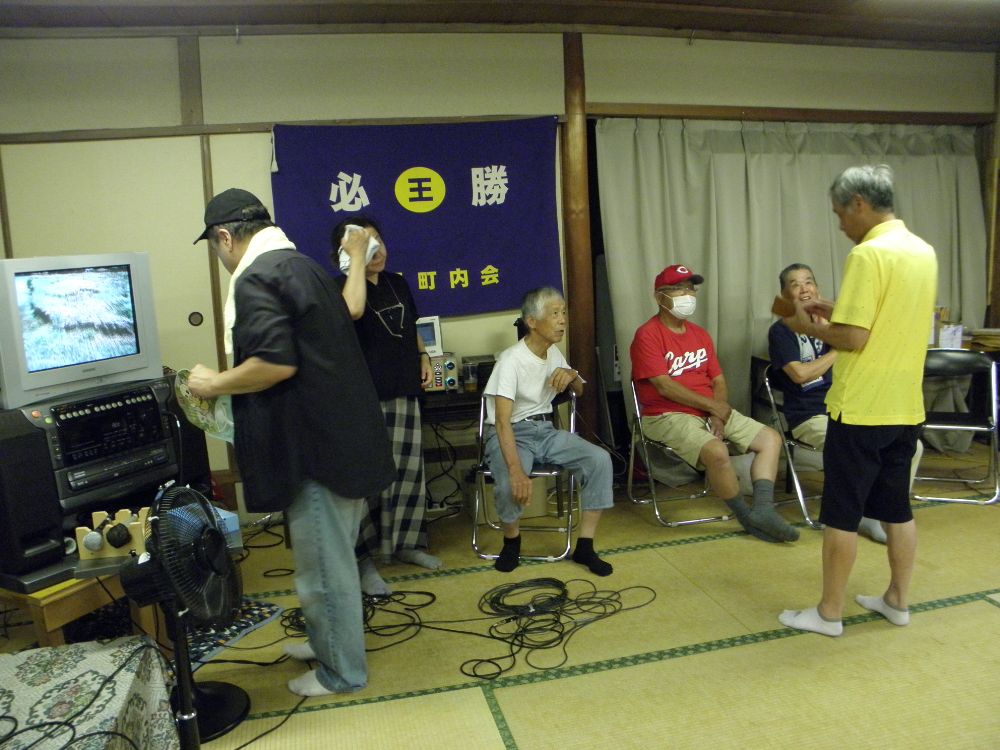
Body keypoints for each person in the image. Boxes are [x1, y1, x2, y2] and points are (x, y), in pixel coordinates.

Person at [187, 188, 395, 696]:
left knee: (324, 569)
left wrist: (213, 384)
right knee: (330, 559)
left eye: (215, 247)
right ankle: (327, 641)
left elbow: (274, 364)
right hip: (341, 439)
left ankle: (340, 672)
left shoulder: (257, 276)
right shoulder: (300, 266)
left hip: (316, 452)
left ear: (224, 237)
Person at [778, 164, 937, 637]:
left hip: (862, 406)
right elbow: (889, 317)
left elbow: (854, 337)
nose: (841, 224)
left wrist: (802, 324)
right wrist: (836, 311)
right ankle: (898, 601)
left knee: (842, 514)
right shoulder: (922, 250)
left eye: (840, 214)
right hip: (905, 404)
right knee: (897, 508)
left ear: (859, 204)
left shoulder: (868, 254)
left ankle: (829, 613)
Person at [630, 264, 799, 543]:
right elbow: (664, 385)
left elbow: (718, 380)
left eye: (691, 289)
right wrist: (712, 408)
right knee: (717, 452)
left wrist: (718, 414)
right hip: (665, 414)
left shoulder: (700, 334)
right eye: (679, 289)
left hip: (709, 410)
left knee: (770, 439)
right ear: (660, 297)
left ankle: (763, 511)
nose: (687, 295)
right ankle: (747, 518)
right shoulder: (647, 334)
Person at [767, 263, 925, 544]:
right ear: (785, 294)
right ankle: (862, 514)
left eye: (809, 282)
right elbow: (800, 374)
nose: (804, 289)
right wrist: (841, 347)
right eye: (795, 284)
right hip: (810, 415)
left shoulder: (837, 324)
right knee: (858, 450)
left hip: (852, 408)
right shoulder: (782, 330)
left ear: (818, 289)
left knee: (915, 447)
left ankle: (882, 511)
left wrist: (837, 331)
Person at [330, 217, 439, 597]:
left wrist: (424, 357)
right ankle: (364, 562)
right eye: (367, 243)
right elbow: (351, 315)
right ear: (345, 252)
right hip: (363, 398)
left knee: (408, 474)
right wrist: (355, 267)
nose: (377, 249)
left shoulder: (398, 282)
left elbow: (412, 328)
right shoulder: (340, 289)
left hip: (404, 388)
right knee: (366, 481)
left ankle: (406, 545)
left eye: (378, 240)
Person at [483, 287, 615, 575]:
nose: (562, 320)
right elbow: (502, 422)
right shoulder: (510, 360)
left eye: (563, 312)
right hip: (512, 432)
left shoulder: (553, 352)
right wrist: (517, 471)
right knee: (509, 480)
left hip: (545, 431)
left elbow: (579, 390)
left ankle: (585, 546)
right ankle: (511, 542)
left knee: (600, 460)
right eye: (555, 314)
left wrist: (571, 374)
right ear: (532, 321)